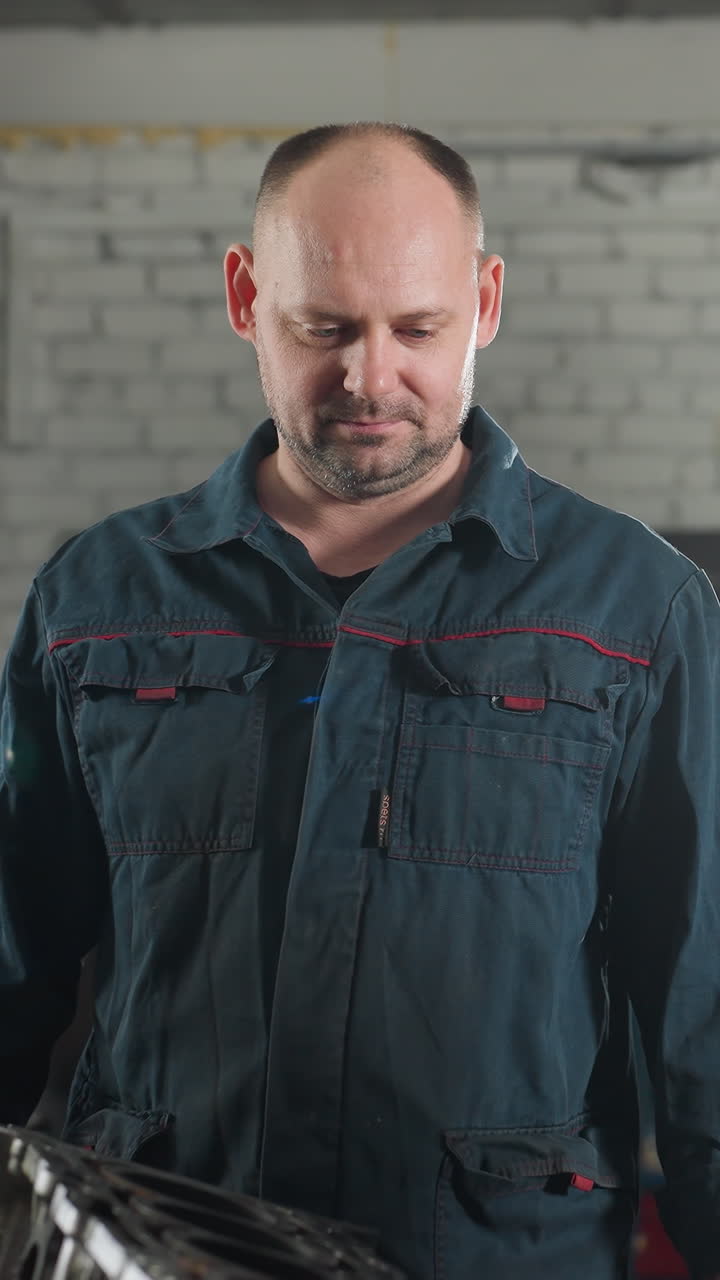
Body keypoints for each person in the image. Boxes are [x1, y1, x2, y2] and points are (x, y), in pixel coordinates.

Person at [1, 121, 719, 1280]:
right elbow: (13, 955)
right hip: (169, 1245)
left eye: (418, 328)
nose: (370, 377)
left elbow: (704, 1002)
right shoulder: (97, 599)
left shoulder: (635, 611)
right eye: (323, 327)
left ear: (486, 303)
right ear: (246, 295)